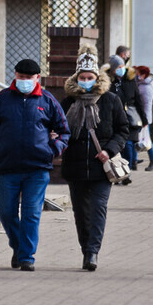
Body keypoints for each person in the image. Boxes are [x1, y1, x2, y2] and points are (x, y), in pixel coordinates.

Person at [0, 59, 70, 272]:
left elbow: (64, 131)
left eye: (29, 78)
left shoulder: (47, 100)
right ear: (15, 76)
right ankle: (18, 247)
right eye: (21, 77)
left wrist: (54, 149)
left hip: (38, 168)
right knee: (5, 211)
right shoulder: (2, 100)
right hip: (8, 167)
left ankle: (26, 257)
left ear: (37, 78)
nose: (24, 81)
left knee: (31, 212)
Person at [60, 46, 129, 271]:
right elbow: (59, 129)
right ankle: (85, 248)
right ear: (76, 78)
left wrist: (109, 150)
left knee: (98, 208)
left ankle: (92, 252)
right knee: (81, 212)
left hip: (102, 167)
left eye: (90, 77)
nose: (86, 81)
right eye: (83, 78)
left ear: (97, 78)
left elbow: (123, 130)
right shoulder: (68, 102)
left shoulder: (110, 100)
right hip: (76, 166)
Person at [108, 54, 147, 180]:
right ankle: (117, 171)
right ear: (113, 69)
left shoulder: (130, 80)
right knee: (118, 147)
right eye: (118, 67)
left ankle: (127, 172)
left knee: (129, 146)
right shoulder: (108, 82)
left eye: (122, 66)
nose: (121, 69)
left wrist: (144, 119)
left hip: (130, 118)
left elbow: (138, 100)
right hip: (114, 118)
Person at [135, 65, 153, 171]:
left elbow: (145, 104)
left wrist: (144, 119)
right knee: (136, 138)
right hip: (140, 116)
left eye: (138, 73)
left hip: (143, 117)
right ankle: (133, 160)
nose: (136, 75)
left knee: (146, 140)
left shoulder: (146, 87)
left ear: (143, 75)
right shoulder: (141, 84)